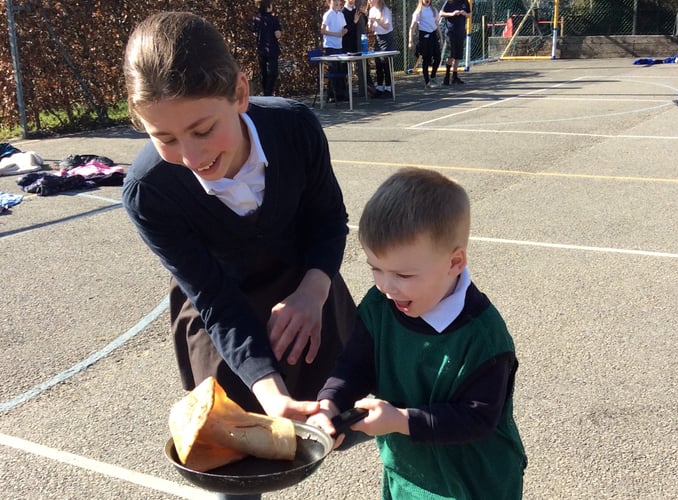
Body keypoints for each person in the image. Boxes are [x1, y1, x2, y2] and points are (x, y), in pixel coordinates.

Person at [122, 12, 357, 499]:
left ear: (241, 93)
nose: (191, 157)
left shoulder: (295, 127)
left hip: (304, 285)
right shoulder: (149, 191)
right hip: (221, 310)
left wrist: (313, 292)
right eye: (163, 138)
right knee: (236, 467)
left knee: (341, 420)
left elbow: (329, 220)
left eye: (203, 129)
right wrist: (269, 393)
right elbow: (211, 297)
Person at [308, 168, 527, 500]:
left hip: (475, 481)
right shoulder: (379, 306)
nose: (385, 285)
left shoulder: (483, 337)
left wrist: (401, 420)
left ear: (455, 262)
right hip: (409, 474)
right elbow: (354, 366)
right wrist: (329, 403)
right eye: (374, 268)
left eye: (403, 274)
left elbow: (477, 417)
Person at [408, 0, 442, 89]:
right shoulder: (418, 11)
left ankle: (433, 76)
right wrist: (410, 41)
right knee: (426, 59)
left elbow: (437, 25)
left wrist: (441, 38)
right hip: (424, 36)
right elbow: (412, 27)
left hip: (433, 35)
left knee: (438, 57)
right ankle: (427, 82)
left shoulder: (434, 10)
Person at [321, 0, 349, 102]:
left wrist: (344, 31)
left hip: (339, 46)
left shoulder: (341, 15)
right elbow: (322, 30)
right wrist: (335, 34)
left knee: (341, 69)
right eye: (334, 2)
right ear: (330, 3)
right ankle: (331, 95)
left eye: (338, 1)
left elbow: (344, 28)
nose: (337, 3)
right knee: (333, 69)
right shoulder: (328, 15)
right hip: (330, 46)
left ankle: (341, 94)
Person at [252, 0, 282, 96]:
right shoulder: (273, 19)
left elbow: (254, 32)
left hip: (261, 49)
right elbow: (278, 35)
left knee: (264, 73)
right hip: (272, 49)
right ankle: (268, 93)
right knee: (273, 72)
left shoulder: (257, 19)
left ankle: (265, 92)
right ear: (268, 6)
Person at [440, 0, 471, 85]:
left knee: (458, 55)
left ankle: (455, 76)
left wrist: (465, 14)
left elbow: (469, 14)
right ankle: (446, 76)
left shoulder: (465, 2)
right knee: (450, 54)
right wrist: (452, 13)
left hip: (460, 32)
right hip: (451, 32)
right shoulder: (449, 2)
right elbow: (441, 13)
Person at [368, 0, 395, 97]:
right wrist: (371, 23)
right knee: (378, 62)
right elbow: (371, 29)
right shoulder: (371, 10)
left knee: (386, 63)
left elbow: (387, 26)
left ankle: (388, 88)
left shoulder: (385, 10)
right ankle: (379, 87)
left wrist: (377, 20)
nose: (370, 1)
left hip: (386, 38)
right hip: (378, 38)